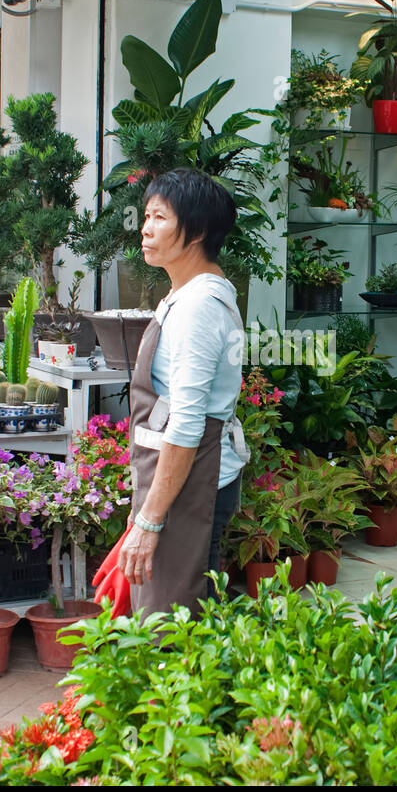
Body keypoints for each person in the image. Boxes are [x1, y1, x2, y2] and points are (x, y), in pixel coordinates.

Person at [118, 168, 248, 617]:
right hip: (179, 479)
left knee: (177, 618)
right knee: (168, 612)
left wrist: (150, 521)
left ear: (196, 232)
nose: (146, 227)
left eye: (159, 216)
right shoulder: (187, 295)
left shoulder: (197, 307)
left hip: (194, 484)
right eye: (146, 215)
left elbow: (188, 422)